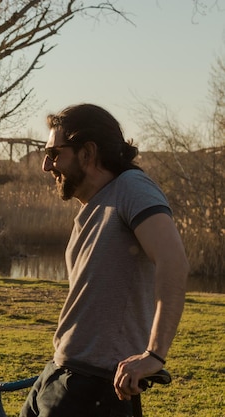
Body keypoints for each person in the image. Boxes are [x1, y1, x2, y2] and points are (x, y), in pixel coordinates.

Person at [19, 104, 188, 417]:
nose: (46, 166)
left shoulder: (131, 188)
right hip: (60, 375)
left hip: (95, 389)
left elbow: (173, 261)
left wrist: (154, 355)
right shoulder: (97, 203)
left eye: (55, 153)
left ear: (88, 152)